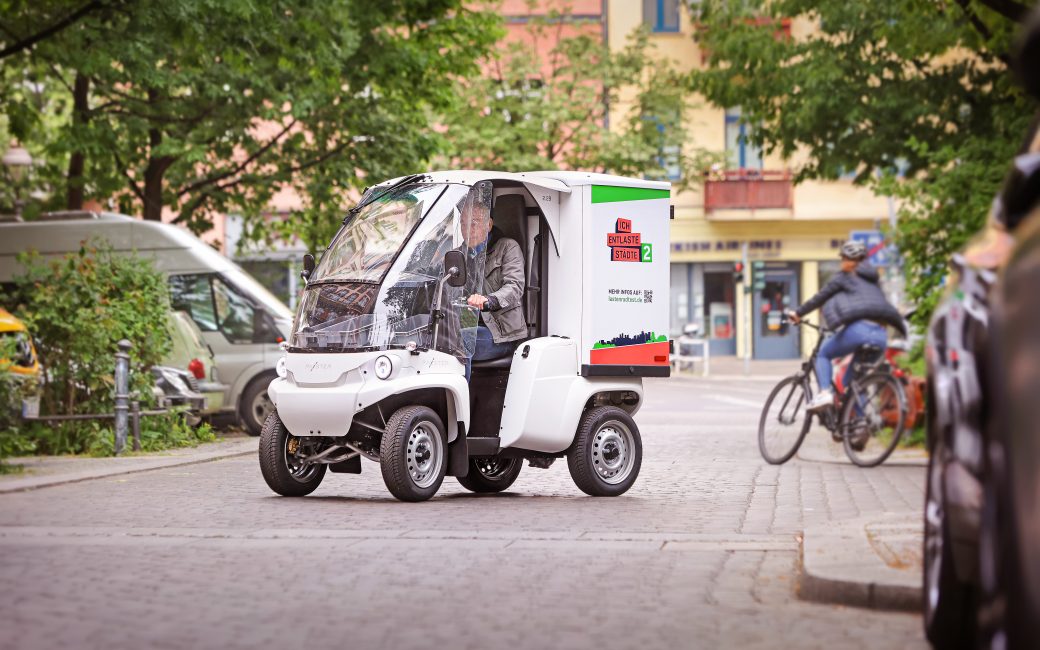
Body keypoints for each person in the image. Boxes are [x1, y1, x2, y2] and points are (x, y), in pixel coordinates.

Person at [788, 240, 906, 411]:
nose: (841, 262)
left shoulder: (844, 277)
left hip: (858, 331)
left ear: (849, 260)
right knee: (853, 384)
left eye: (843, 258)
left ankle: (824, 393)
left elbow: (820, 297)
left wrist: (798, 313)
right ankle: (860, 423)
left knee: (823, 354)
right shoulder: (873, 281)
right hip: (880, 335)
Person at [460, 196, 528, 379]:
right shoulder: (458, 254)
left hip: (501, 333)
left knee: (460, 340)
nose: (467, 228)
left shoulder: (508, 247)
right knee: (434, 336)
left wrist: (488, 300)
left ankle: (458, 397)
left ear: (489, 225)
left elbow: (514, 286)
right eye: (463, 223)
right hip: (466, 326)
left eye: (474, 222)